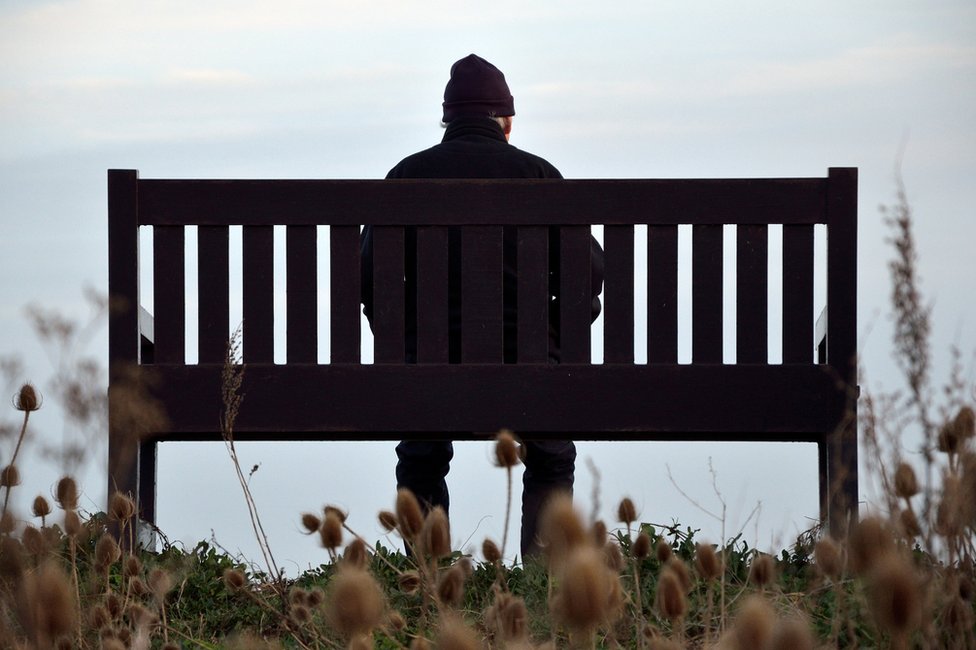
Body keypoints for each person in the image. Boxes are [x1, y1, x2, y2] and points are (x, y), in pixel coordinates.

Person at [360, 54, 604, 558]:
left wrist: (405, 344)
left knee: (421, 456)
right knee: (552, 457)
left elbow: (368, 282)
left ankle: (429, 579)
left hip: (427, 370)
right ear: (507, 121)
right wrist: (556, 336)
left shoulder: (406, 177)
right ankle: (544, 580)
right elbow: (591, 276)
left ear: (447, 120)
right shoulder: (541, 176)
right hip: (533, 365)